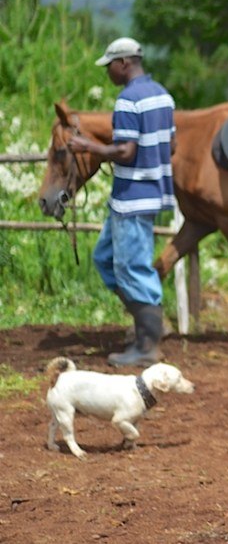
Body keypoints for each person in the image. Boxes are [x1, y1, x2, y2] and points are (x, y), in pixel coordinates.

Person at [69, 37, 177, 367]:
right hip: (147, 193)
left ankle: (147, 345)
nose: (109, 74)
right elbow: (170, 146)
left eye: (110, 67)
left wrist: (88, 147)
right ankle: (146, 326)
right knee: (105, 257)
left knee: (133, 266)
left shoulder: (128, 100)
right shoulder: (163, 95)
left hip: (133, 196)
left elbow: (125, 151)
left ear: (124, 63)